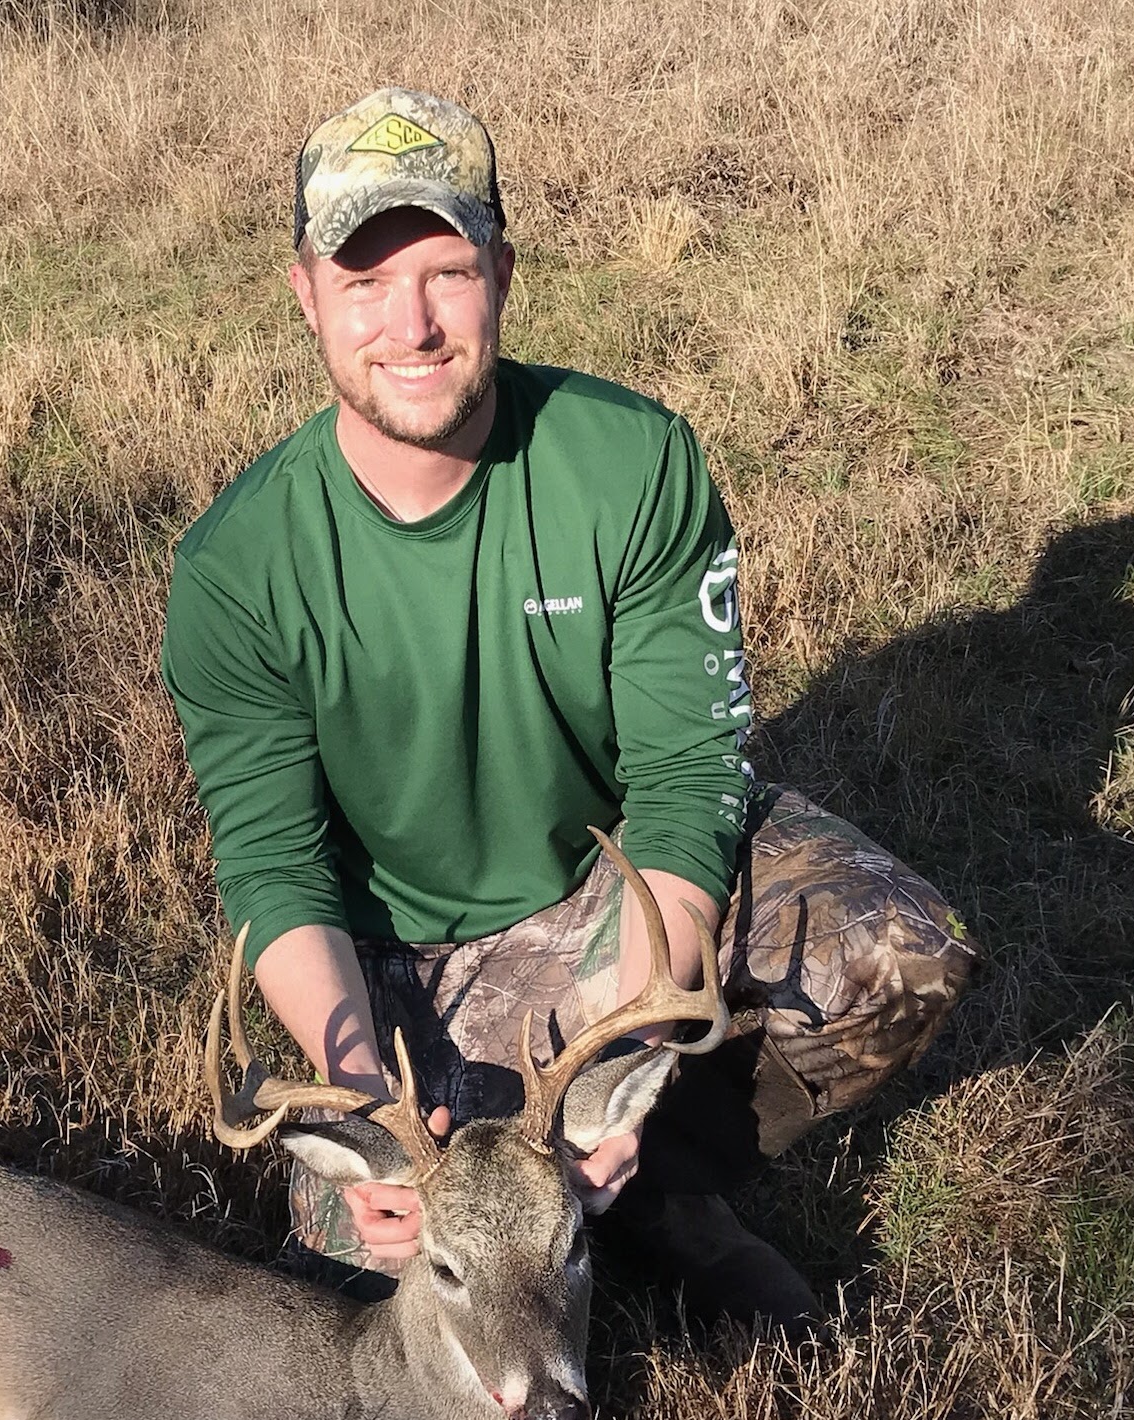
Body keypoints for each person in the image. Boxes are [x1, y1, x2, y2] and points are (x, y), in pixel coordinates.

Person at [161, 87, 979, 1333]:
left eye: (446, 271)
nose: (413, 324)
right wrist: (358, 1088)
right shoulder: (239, 565)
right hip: (403, 957)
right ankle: (561, 1210)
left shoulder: (632, 463)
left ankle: (668, 1197)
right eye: (366, 282)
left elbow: (691, 775)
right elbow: (275, 869)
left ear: (502, 272)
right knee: (359, 1250)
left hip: (615, 897)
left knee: (899, 951)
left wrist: (612, 1075)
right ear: (306, 297)